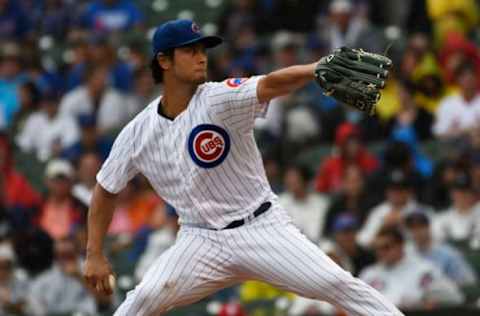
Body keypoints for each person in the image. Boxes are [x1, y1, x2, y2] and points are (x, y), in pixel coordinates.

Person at [83, 19, 403, 316]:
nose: (201, 57)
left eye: (202, 50)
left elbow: (270, 84)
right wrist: (94, 252)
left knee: (338, 284)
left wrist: (315, 68)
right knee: (141, 300)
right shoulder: (137, 132)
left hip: (261, 227)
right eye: (190, 51)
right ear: (164, 61)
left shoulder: (219, 99)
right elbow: (105, 189)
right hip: (200, 240)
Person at [360, 227, 464, 310]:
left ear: (400, 245)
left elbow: (455, 297)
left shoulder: (423, 270)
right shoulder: (369, 274)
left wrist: (434, 301)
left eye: (386, 247)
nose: (381, 252)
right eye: (377, 248)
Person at [405, 211, 477, 286]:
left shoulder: (448, 254)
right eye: (412, 228)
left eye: (420, 227)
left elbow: (469, 282)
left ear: (429, 227)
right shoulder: (406, 253)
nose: (417, 231)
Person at [278, 165, 329, 243]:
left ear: (305, 180)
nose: (291, 181)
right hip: (290, 246)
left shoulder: (321, 202)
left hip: (318, 245)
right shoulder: (280, 202)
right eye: (288, 178)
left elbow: (317, 234)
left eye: (295, 179)